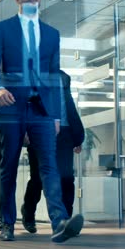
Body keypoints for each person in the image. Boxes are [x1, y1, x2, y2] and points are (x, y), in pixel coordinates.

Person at [0, 0, 83, 242]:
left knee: (49, 165)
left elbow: (53, 77)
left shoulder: (52, 34)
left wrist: (57, 114)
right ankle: (7, 223)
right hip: (11, 105)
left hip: (42, 110)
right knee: (8, 164)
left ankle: (59, 223)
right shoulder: (1, 28)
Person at [21, 71, 84, 233]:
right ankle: (28, 212)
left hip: (64, 133)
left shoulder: (64, 77)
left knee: (67, 178)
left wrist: (77, 137)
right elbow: (26, 105)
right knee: (38, 179)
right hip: (40, 131)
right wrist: (25, 131)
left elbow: (69, 106)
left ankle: (65, 221)